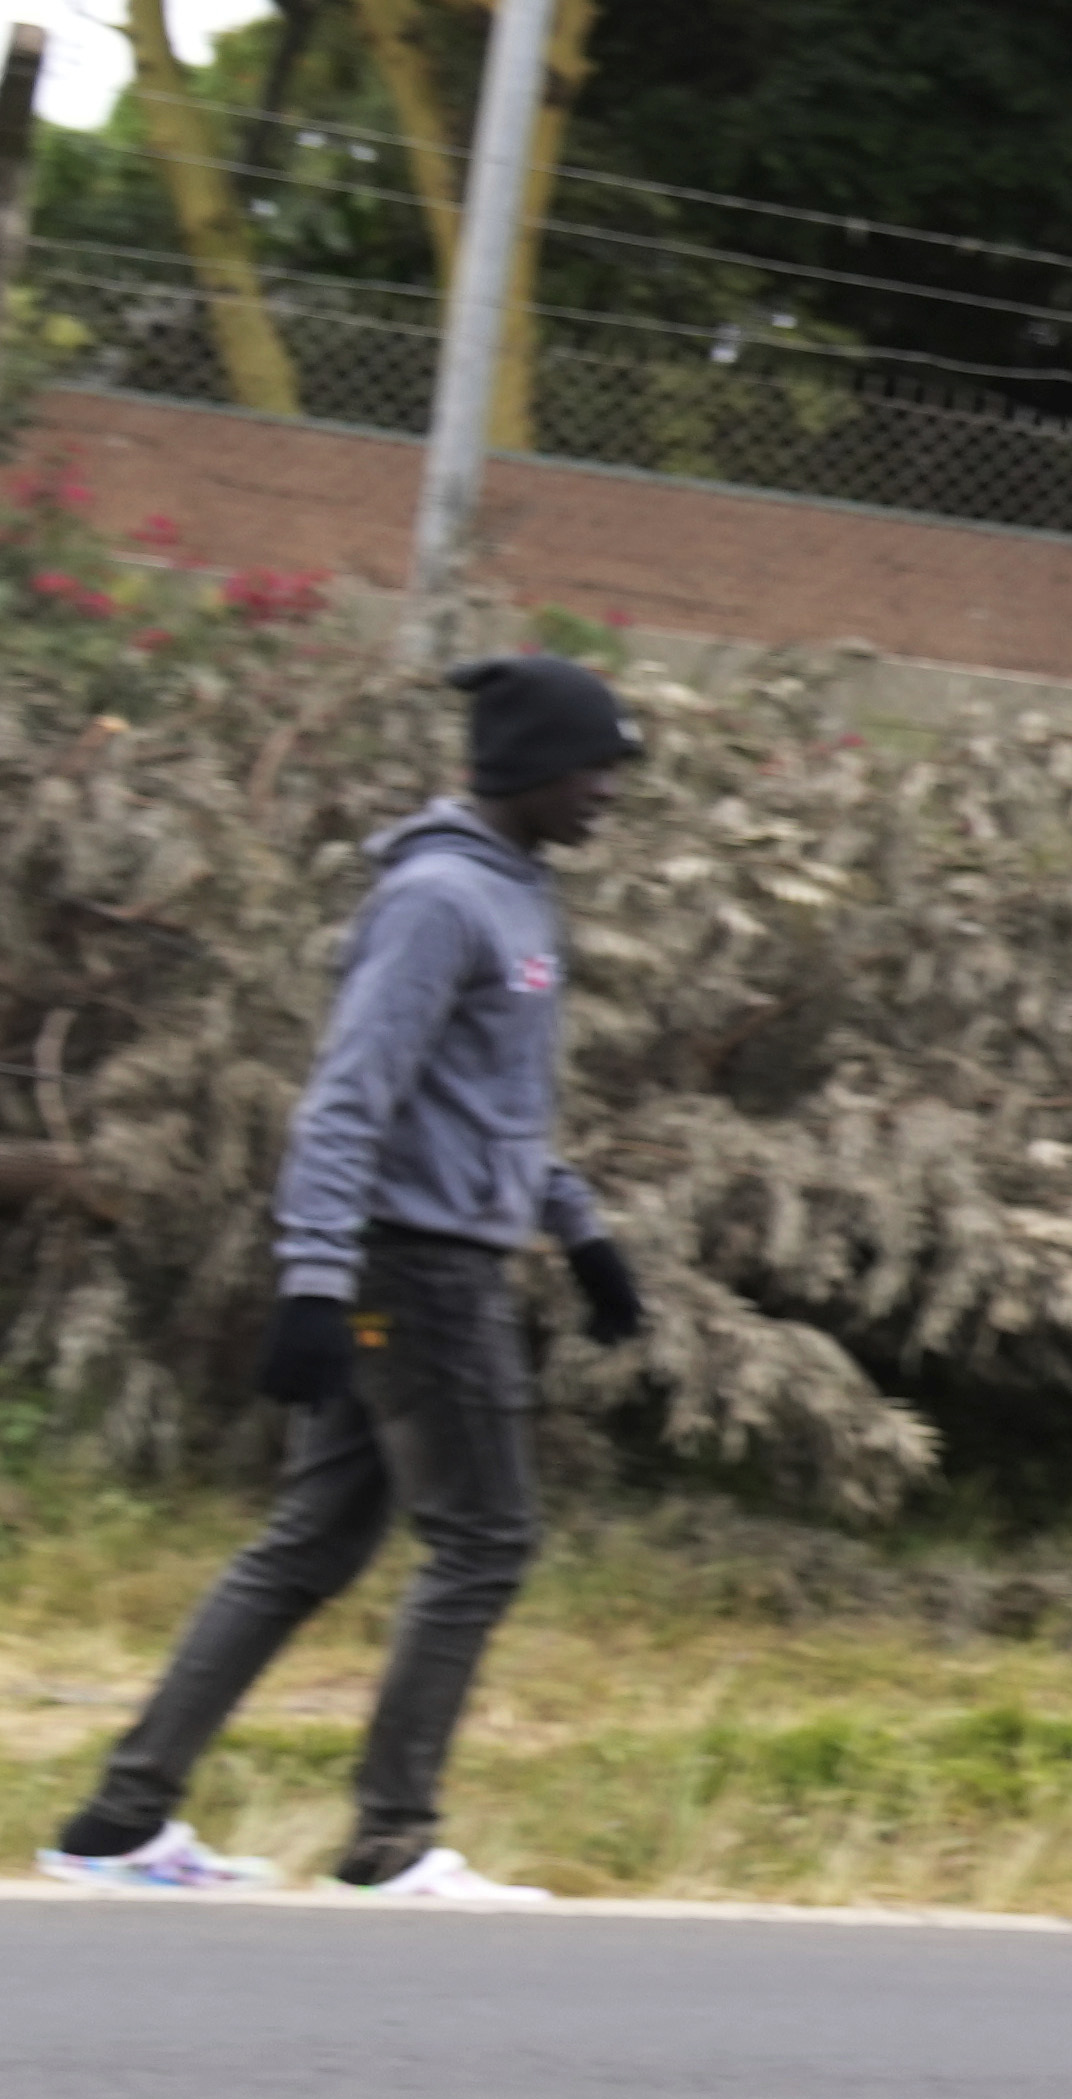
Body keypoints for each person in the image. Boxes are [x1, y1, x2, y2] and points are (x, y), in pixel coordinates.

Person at [43, 656, 652, 1897]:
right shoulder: (436, 897)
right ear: (526, 766)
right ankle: (391, 1840)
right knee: (485, 1540)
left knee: (309, 1542)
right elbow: (349, 1098)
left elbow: (493, 1107)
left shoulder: (519, 896)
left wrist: (582, 1233)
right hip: (413, 1267)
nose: (609, 791)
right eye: (594, 766)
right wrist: (314, 1278)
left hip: (443, 1249)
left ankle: (118, 1824)